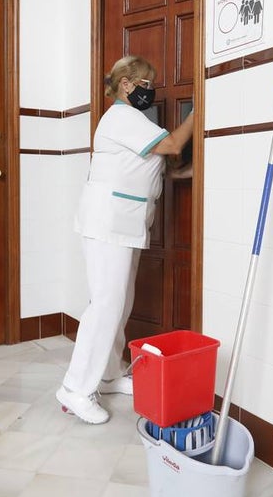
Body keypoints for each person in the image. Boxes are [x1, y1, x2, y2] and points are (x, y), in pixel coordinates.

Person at [57, 55, 195, 424]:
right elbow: (171, 146)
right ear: (126, 85)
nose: (151, 91)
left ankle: (108, 374)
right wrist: (199, 112)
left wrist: (186, 172)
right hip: (109, 221)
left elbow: (150, 166)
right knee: (106, 304)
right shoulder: (123, 117)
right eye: (147, 84)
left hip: (125, 221)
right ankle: (75, 388)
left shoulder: (132, 121)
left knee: (120, 302)